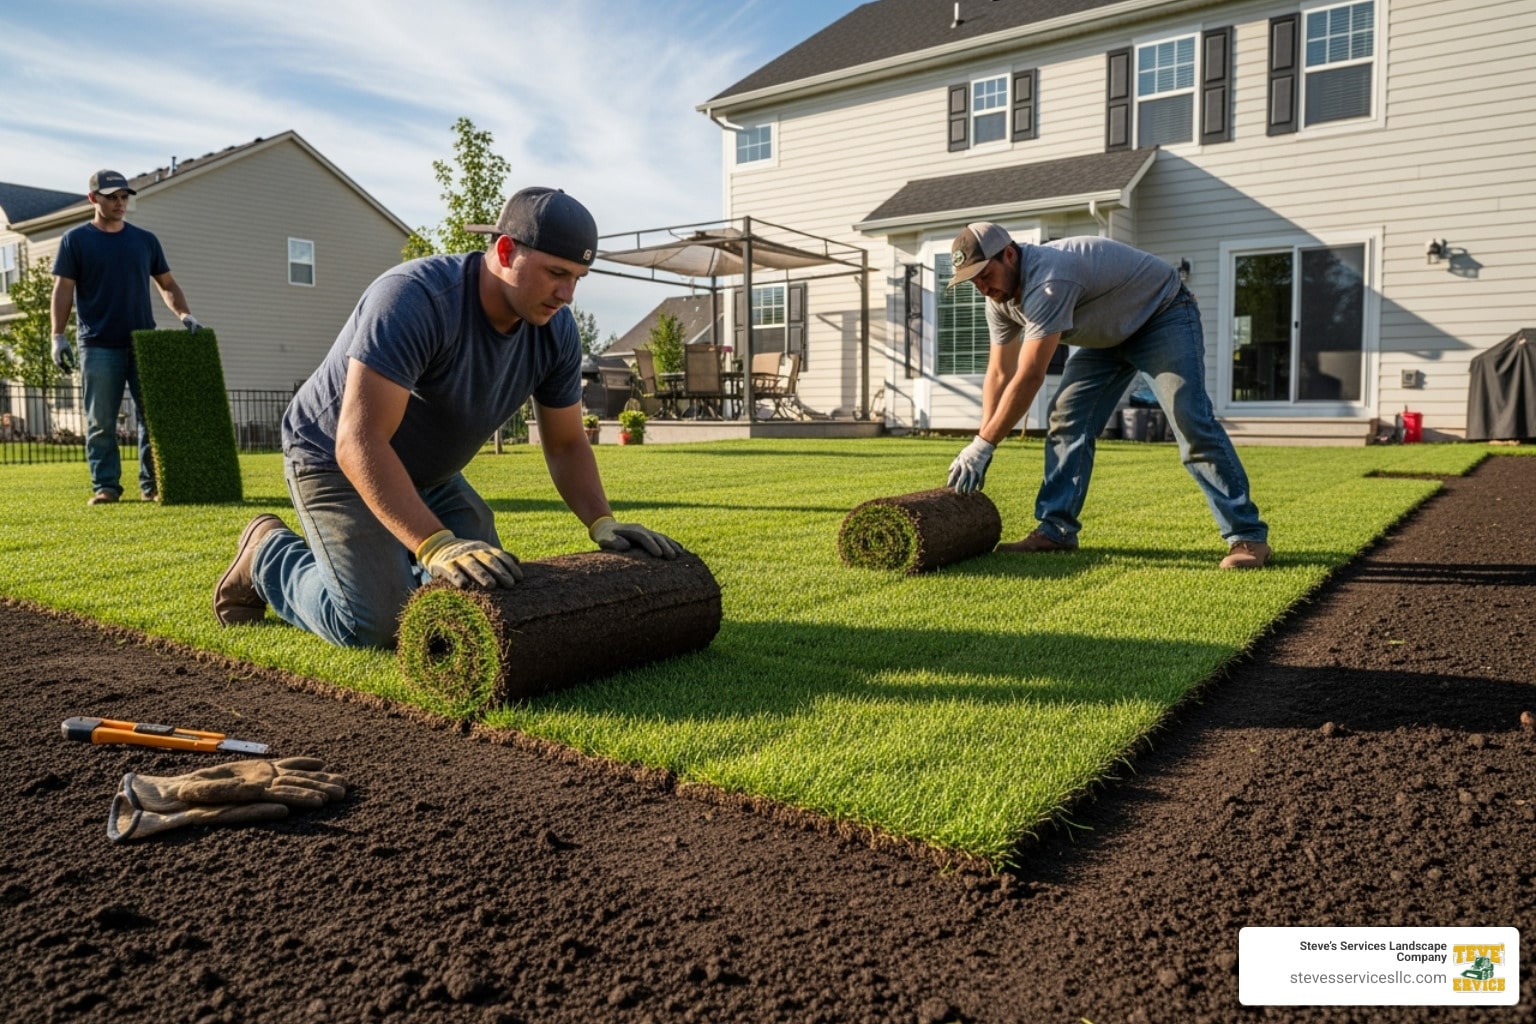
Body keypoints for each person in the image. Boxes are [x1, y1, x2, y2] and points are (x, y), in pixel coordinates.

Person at [212, 186, 681, 648]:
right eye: (557, 272)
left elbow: (565, 443)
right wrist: (435, 543)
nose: (568, 294)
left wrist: (602, 521)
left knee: (490, 589)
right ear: (503, 250)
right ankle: (267, 554)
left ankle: (401, 557)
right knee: (374, 623)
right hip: (334, 459)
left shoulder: (556, 331)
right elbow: (359, 442)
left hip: (429, 471)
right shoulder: (413, 299)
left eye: (579, 277)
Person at [943, 222, 1270, 569]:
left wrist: (985, 443)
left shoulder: (1049, 280)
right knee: (1067, 417)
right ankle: (1056, 532)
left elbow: (1029, 375)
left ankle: (1247, 536)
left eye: (984, 274)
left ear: (1009, 254)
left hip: (1162, 314)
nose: (981, 287)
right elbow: (999, 373)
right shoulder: (1000, 300)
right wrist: (979, 445)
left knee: (1189, 417)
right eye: (972, 280)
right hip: (1109, 337)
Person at [51, 169, 202, 504]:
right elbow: (63, 290)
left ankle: (152, 486)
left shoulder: (144, 240)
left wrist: (185, 315)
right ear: (94, 198)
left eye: (124, 197)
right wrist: (57, 336)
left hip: (142, 343)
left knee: (153, 418)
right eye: (112, 197)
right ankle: (105, 487)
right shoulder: (75, 240)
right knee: (101, 421)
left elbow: (168, 284)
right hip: (98, 343)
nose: (120, 203)